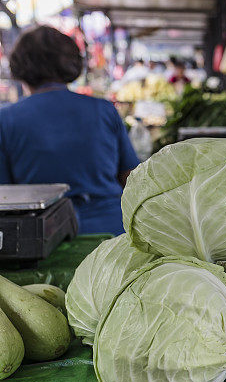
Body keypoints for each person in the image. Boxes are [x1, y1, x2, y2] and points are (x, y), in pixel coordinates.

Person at [0, 26, 140, 235]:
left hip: (44, 241)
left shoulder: (6, 119)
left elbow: (5, 196)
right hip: (113, 235)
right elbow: (132, 178)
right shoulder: (103, 110)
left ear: (19, 68)